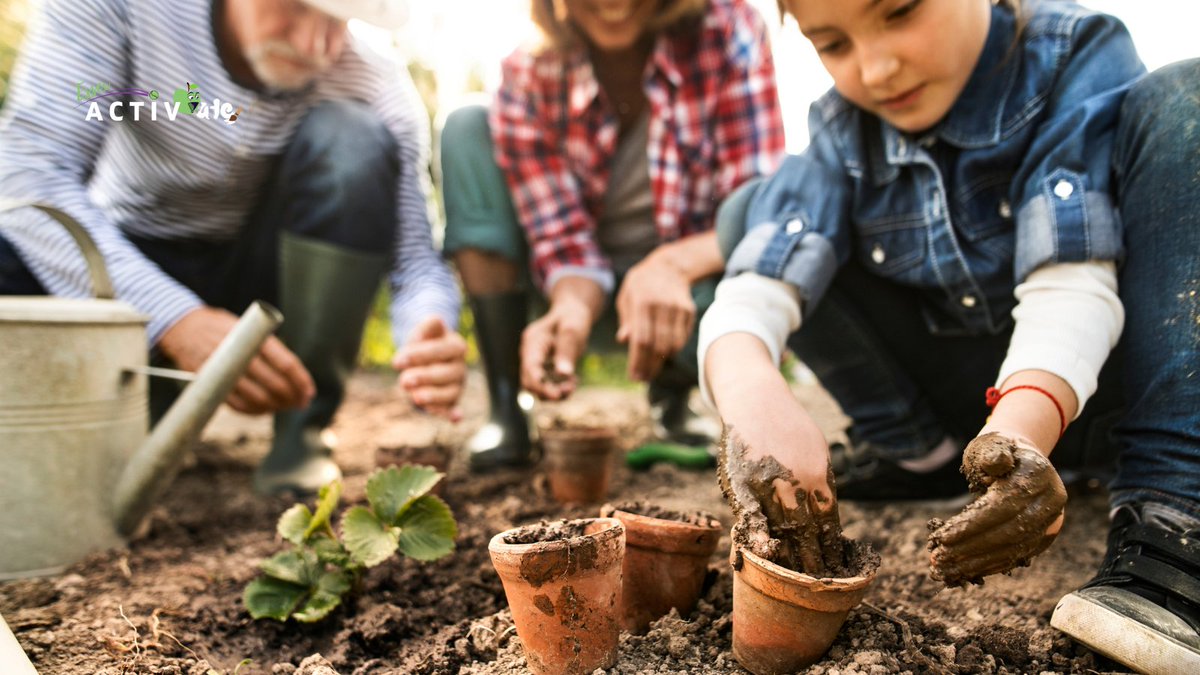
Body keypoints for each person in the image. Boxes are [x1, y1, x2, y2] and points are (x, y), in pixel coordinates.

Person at [699, 0, 1199, 671]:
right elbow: (756, 286)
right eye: (832, 43)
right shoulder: (842, 130)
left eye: (899, 12)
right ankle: (921, 457)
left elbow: (1070, 283)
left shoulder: (1075, 55)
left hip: (1105, 388)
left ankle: (1174, 513)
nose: (875, 69)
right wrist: (754, 396)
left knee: (1186, 98)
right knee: (750, 214)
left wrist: (1021, 430)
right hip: (974, 415)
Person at [0, 0, 466, 496]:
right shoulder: (119, 8)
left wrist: (426, 330)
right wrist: (174, 319)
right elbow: (30, 172)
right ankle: (132, 398)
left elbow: (416, 261)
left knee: (352, 140)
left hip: (267, 279)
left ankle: (301, 430)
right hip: (131, 261)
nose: (315, 45)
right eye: (296, 8)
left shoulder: (373, 79)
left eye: (338, 21)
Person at [439, 0, 786, 470]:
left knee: (770, 264)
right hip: (582, 295)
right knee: (466, 125)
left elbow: (753, 210)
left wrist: (670, 267)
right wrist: (572, 306)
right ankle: (506, 400)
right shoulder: (527, 72)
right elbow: (561, 238)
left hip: (692, 294)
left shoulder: (729, 29)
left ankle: (674, 392)